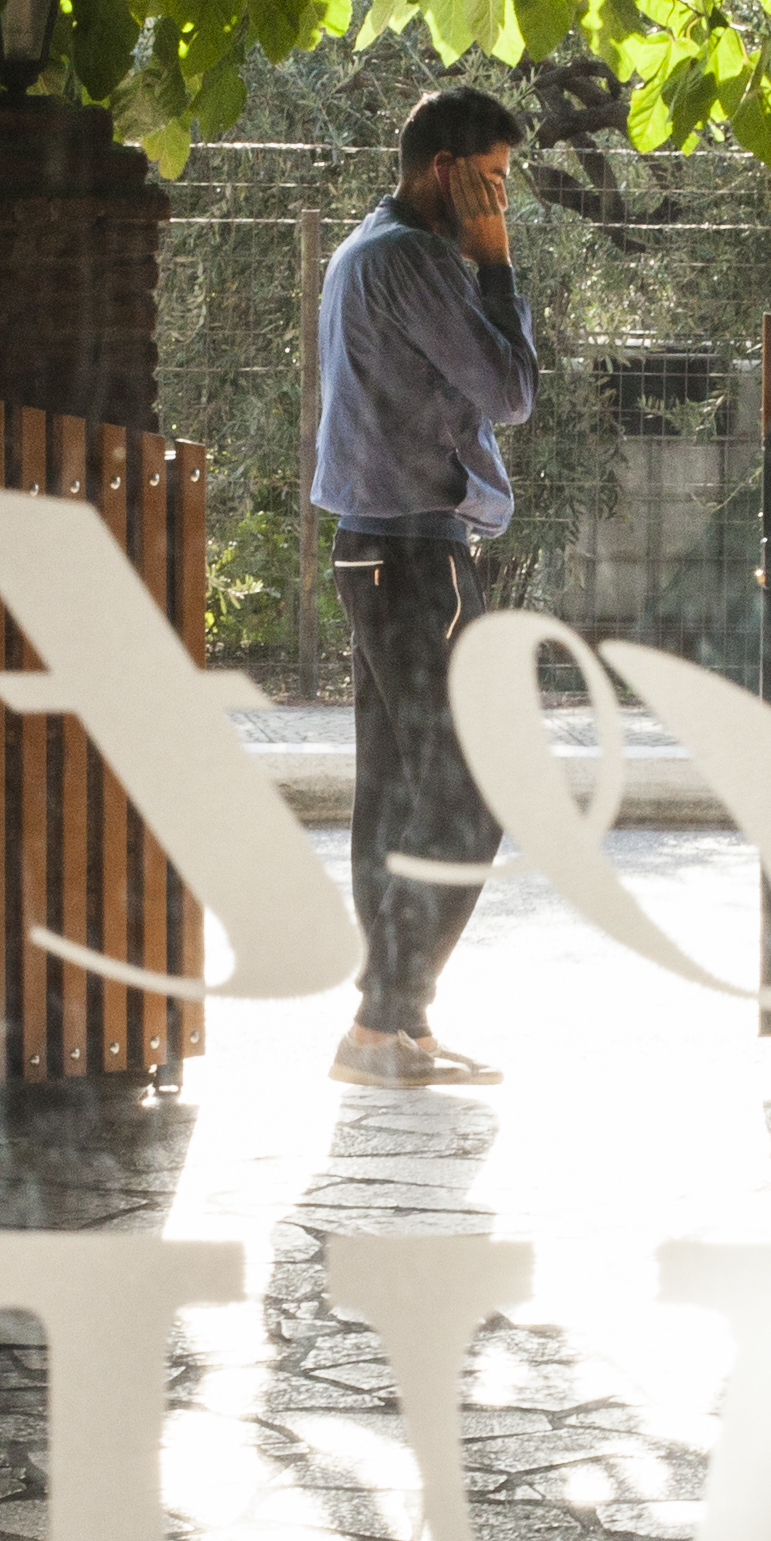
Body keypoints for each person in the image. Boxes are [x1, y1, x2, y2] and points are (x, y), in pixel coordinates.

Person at [305, 85, 540, 1086]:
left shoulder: (368, 246)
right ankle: (379, 1022)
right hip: (414, 556)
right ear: (444, 170)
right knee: (470, 796)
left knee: (396, 797)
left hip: (373, 547)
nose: (498, 206)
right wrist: (498, 271)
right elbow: (511, 392)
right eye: (489, 183)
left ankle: (395, 1030)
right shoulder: (410, 258)